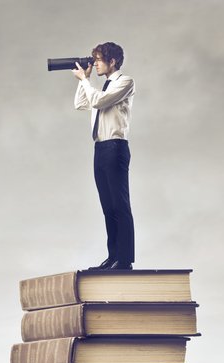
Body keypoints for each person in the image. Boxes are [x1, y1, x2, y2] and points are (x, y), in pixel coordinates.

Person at [72, 42, 135, 269]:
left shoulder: (125, 82)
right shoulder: (102, 88)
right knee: (107, 206)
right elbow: (81, 104)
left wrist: (85, 81)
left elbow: (98, 101)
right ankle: (113, 256)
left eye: (99, 60)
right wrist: (84, 81)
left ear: (112, 61)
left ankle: (125, 258)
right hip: (100, 149)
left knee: (120, 204)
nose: (95, 64)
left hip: (115, 147)